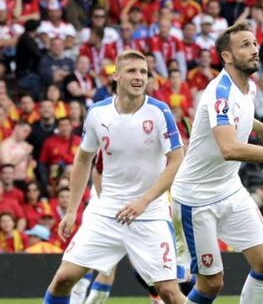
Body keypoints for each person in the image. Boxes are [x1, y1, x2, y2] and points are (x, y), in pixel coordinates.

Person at [170, 23, 263, 304]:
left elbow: (241, 114)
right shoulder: (219, 93)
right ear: (227, 56)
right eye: (245, 45)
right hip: (196, 199)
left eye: (254, 43)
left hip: (230, 189)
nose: (255, 50)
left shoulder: (248, 88)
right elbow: (229, 148)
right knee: (211, 284)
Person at [42, 50, 186, 304]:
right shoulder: (98, 113)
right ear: (116, 75)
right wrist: (72, 210)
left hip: (149, 213)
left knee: (169, 293)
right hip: (107, 211)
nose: (139, 77)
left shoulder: (159, 111)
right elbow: (84, 158)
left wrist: (144, 200)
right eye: (132, 71)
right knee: (63, 278)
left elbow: (176, 159)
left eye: (143, 72)